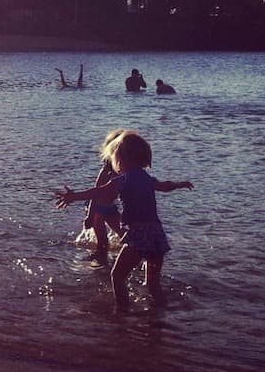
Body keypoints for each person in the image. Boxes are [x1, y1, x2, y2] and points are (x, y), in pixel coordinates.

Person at [55, 131, 193, 311]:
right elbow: (165, 186)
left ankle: (122, 311)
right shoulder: (147, 178)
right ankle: (160, 315)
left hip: (138, 236)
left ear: (122, 158)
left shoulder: (123, 180)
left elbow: (98, 192)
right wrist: (179, 184)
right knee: (153, 283)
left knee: (117, 276)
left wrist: (74, 196)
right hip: (157, 235)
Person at [82, 129, 123, 267]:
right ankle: (100, 265)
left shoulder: (123, 172)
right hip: (97, 209)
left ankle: (118, 260)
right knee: (103, 243)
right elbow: (95, 194)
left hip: (111, 207)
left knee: (124, 234)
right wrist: (89, 216)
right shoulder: (105, 172)